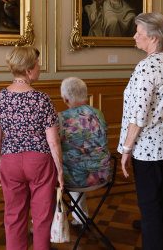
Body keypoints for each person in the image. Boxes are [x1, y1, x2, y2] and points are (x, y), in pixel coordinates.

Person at [118, 12, 163, 250]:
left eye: (139, 32)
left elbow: (138, 115)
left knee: (150, 210)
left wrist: (126, 149)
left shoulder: (147, 66)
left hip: (148, 151)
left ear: (154, 37)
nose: (135, 36)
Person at [0, 46, 64, 250]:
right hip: (39, 161)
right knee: (42, 217)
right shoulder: (42, 99)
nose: (40, 67)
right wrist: (60, 170)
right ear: (28, 70)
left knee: (13, 216)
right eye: (37, 64)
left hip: (10, 161)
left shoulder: (0, 97)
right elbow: (53, 141)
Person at [58, 77, 111, 225]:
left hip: (75, 178)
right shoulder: (98, 114)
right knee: (78, 164)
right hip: (103, 174)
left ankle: (45, 225)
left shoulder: (61, 119)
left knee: (51, 175)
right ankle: (80, 217)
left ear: (65, 98)